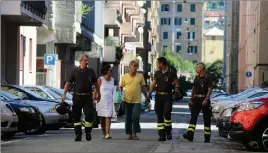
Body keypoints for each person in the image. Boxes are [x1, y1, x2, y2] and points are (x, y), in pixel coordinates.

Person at [62, 53, 100, 142]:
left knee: (90, 114)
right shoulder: (75, 71)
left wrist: (98, 93)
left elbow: (96, 83)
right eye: (85, 60)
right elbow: (68, 83)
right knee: (76, 117)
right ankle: (78, 134)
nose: (87, 62)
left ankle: (88, 132)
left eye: (87, 60)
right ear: (80, 61)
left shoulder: (91, 71)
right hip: (77, 97)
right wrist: (64, 94)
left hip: (88, 97)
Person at [148, 57, 180, 141]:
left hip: (168, 96)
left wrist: (176, 90)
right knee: (159, 115)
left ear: (161, 63)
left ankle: (168, 132)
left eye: (157, 63)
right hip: (158, 96)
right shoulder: (157, 73)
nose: (157, 65)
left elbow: (176, 82)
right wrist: (149, 93)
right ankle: (161, 135)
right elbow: (153, 84)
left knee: (167, 114)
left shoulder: (171, 72)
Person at [183, 62, 213, 143]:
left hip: (204, 100)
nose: (196, 69)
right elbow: (194, 89)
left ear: (202, 68)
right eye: (196, 67)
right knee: (193, 118)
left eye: (198, 67)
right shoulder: (196, 78)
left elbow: (210, 89)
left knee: (206, 119)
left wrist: (206, 99)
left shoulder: (208, 78)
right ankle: (190, 135)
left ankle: (207, 137)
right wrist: (191, 99)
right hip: (196, 100)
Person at [120, 60, 148, 140]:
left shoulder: (140, 76)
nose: (135, 68)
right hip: (127, 100)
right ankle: (129, 134)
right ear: (130, 67)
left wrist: (147, 96)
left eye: (136, 66)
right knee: (128, 117)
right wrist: (120, 97)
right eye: (134, 66)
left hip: (137, 100)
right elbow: (121, 87)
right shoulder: (124, 76)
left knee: (136, 117)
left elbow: (143, 87)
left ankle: (134, 134)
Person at [94, 64, 114, 139]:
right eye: (110, 70)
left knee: (108, 116)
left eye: (111, 71)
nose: (111, 72)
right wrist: (94, 97)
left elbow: (113, 91)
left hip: (109, 101)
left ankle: (108, 133)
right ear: (106, 71)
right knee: (102, 118)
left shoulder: (112, 80)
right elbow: (96, 90)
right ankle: (103, 132)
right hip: (101, 101)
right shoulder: (100, 79)